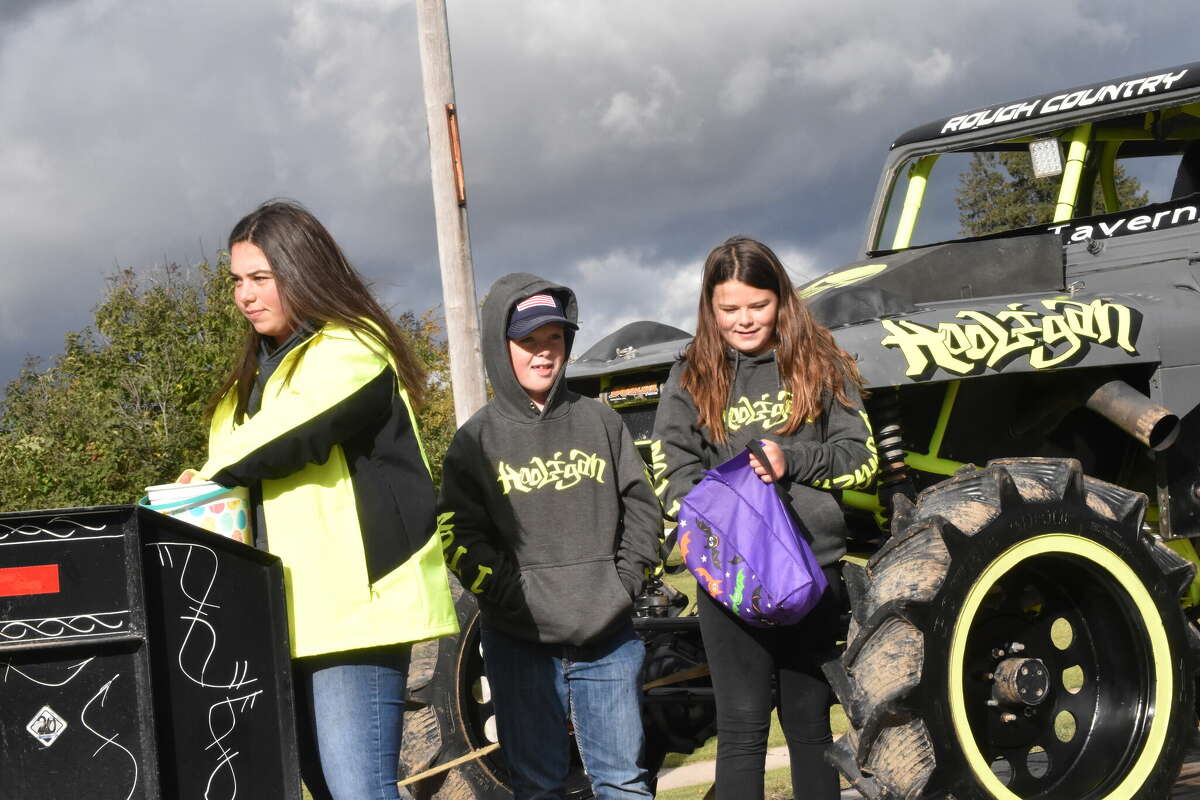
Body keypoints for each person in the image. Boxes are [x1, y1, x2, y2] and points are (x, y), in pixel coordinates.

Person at [182, 199, 458, 800]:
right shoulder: (244, 387)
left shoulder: (353, 347)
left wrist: (202, 478)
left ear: (303, 271)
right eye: (236, 281)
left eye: (262, 278)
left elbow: (290, 433)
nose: (245, 295)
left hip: (353, 612)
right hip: (279, 619)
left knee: (360, 792)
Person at [651, 236, 877, 800]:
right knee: (742, 730)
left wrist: (792, 459)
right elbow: (670, 476)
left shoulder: (819, 361)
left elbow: (862, 460)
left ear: (781, 298)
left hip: (812, 577)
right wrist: (723, 512)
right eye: (729, 309)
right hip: (731, 581)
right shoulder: (688, 377)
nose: (745, 320)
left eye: (758, 304)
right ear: (710, 307)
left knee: (809, 727)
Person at [436, 273, 661, 800]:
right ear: (501, 347)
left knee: (623, 782)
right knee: (537, 787)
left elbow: (643, 508)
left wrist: (624, 583)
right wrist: (512, 597)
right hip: (520, 643)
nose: (543, 354)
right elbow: (457, 534)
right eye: (529, 342)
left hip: (609, 640)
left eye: (554, 339)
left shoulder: (601, 422)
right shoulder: (475, 440)